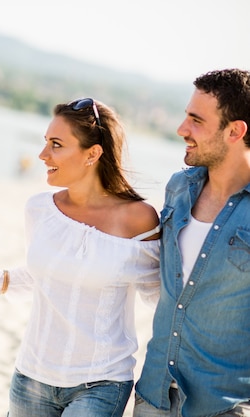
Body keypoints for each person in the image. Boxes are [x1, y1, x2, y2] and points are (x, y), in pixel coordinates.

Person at [0, 98, 161, 417]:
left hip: (100, 384)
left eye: (56, 145)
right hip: (31, 377)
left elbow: (159, 295)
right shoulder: (39, 209)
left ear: (93, 153)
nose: (42, 154)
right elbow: (39, 277)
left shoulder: (139, 220)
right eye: (45, 142)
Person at [133, 69, 250, 417]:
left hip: (221, 405)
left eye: (196, 120)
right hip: (152, 393)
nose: (182, 129)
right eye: (186, 116)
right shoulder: (178, 188)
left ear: (235, 131)